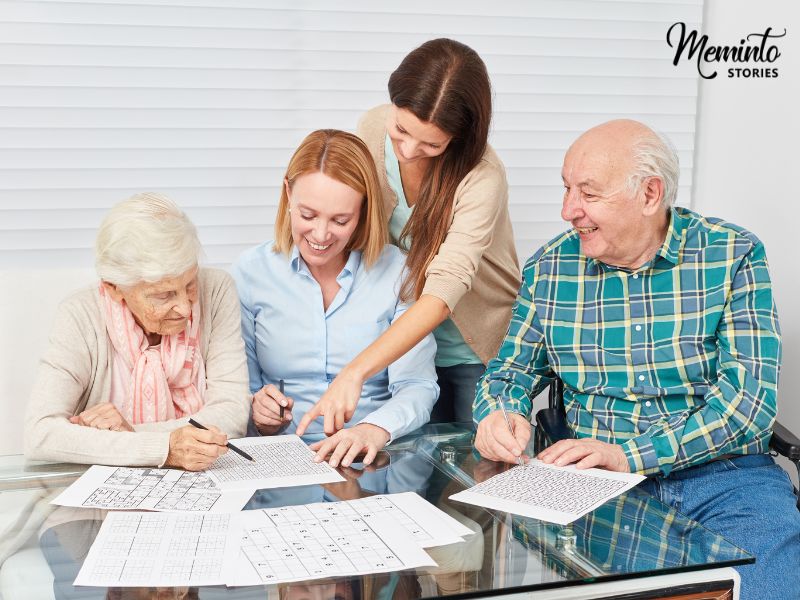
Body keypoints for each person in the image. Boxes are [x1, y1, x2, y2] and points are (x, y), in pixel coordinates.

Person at [473, 119, 800, 599]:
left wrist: (630, 455)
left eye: (588, 193)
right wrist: (498, 413)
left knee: (767, 588)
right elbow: (509, 373)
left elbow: (748, 406)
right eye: (566, 189)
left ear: (650, 193)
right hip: (599, 493)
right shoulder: (550, 268)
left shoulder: (732, 254)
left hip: (727, 481)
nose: (569, 211)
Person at [296, 38, 520, 435]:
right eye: (401, 129)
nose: (409, 150)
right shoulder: (371, 127)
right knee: (408, 472)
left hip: (472, 345)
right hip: (398, 346)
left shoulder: (483, 175)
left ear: (460, 136)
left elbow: (444, 288)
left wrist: (357, 370)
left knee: (475, 477)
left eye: (432, 143)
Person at [232, 129, 438, 467]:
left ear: (362, 211)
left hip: (372, 461)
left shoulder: (398, 273)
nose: (321, 235)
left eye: (340, 220)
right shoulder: (251, 273)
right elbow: (240, 391)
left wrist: (373, 428)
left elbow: (417, 386)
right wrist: (259, 409)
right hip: (281, 465)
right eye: (308, 215)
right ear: (288, 193)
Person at [24, 193, 250, 470]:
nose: (185, 308)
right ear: (114, 288)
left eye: (190, 284)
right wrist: (164, 449)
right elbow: (40, 434)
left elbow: (232, 414)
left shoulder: (216, 290)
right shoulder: (80, 314)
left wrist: (127, 434)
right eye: (164, 295)